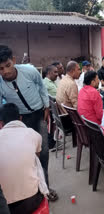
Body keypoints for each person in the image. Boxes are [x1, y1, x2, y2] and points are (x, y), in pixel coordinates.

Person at [0, 45, 57, 201]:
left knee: (43, 153)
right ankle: (31, 188)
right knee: (25, 155)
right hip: (20, 120)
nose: (5, 71)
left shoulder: (29, 71)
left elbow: (41, 86)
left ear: (13, 60)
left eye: (7, 66)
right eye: (0, 69)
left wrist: (46, 106)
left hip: (39, 115)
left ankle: (45, 188)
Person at [0, 103, 46, 214]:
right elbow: (36, 157)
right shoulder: (33, 134)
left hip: (5, 206)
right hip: (32, 200)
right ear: (20, 118)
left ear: (1, 123)